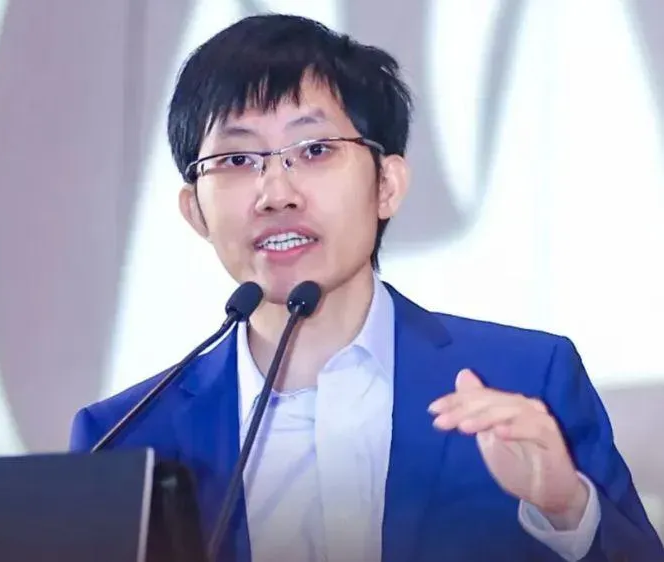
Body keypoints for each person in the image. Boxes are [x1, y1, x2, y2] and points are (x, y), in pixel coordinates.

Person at [70, 13, 664, 562]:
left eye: (314, 150)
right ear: (195, 211)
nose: (275, 193)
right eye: (237, 160)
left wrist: (567, 512)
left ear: (387, 185)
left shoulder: (526, 379)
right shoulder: (124, 439)